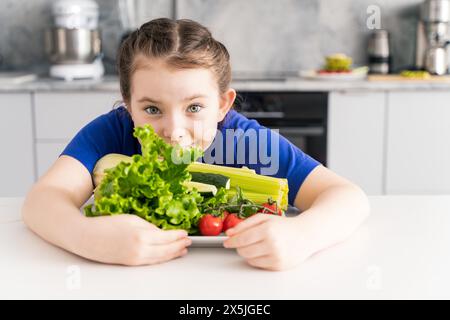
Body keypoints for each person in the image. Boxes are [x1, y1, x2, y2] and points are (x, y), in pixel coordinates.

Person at [22, 18, 369, 271]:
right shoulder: (110, 132)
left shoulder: (244, 139)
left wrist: (303, 236)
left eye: (194, 108)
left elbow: (348, 197)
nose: (174, 131)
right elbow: (43, 200)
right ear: (128, 105)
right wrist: (87, 237)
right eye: (152, 109)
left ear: (222, 105)